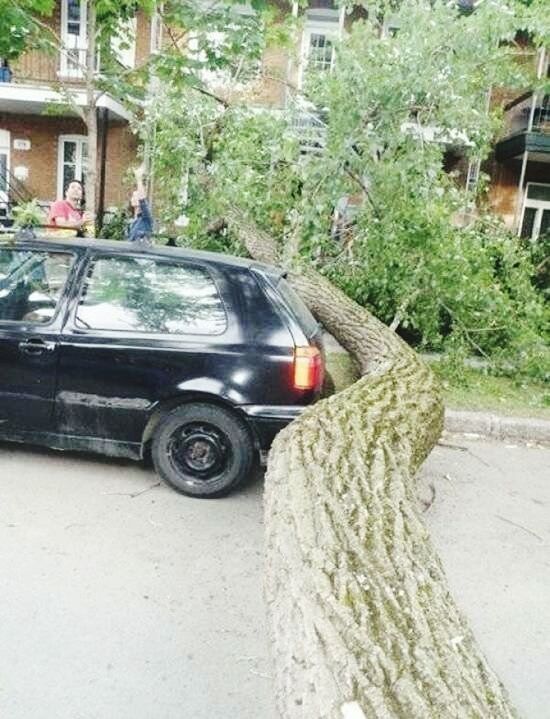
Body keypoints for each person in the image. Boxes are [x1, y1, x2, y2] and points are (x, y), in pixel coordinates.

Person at [128, 166, 153, 243]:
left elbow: (142, 200)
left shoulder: (145, 218)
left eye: (135, 196)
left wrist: (139, 179)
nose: (133, 198)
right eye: (133, 196)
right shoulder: (132, 222)